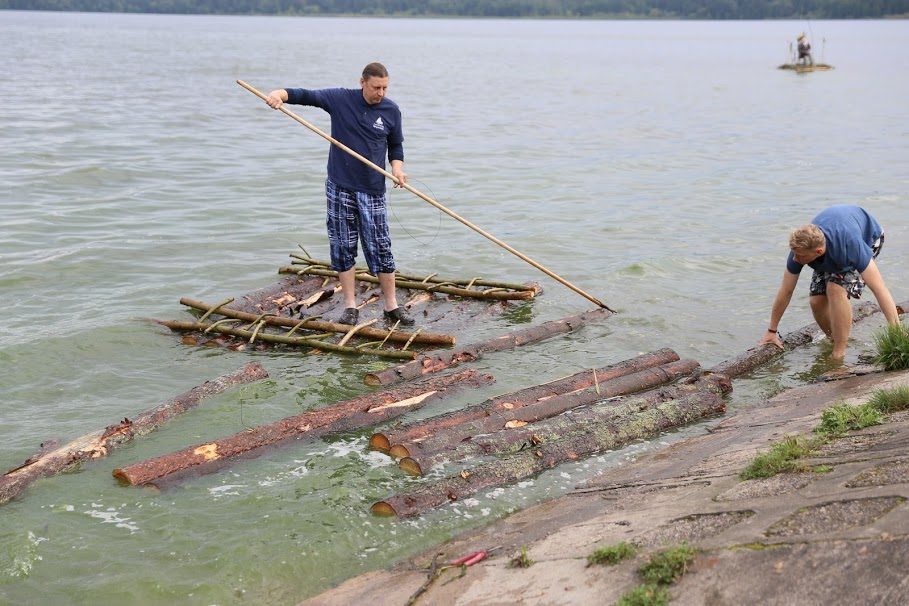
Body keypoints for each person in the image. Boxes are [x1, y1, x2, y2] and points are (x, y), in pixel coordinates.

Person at [265, 62, 415, 326]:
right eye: (375, 87)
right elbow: (305, 95)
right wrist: (279, 94)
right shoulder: (340, 99)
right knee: (343, 245)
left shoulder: (391, 110)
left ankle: (391, 306)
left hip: (372, 189)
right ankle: (350, 306)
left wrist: (398, 169)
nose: (380, 93)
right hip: (340, 185)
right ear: (362, 83)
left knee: (380, 247)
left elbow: (396, 145)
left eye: (385, 88)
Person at [759, 205, 899, 361]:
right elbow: (786, 291)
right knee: (816, 301)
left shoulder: (851, 245)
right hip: (829, 249)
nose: (794, 259)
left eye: (799, 256)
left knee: (835, 289)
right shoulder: (800, 249)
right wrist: (772, 330)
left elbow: (879, 288)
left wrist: (896, 334)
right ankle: (835, 339)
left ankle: (839, 354)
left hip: (868, 238)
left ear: (817, 252)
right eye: (795, 254)